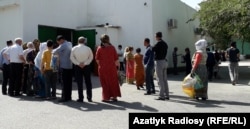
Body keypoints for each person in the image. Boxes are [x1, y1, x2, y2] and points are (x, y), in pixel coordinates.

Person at [95, 34, 121, 102]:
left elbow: (97, 60)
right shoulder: (112, 48)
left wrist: (101, 65)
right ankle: (114, 96)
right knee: (113, 82)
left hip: (102, 68)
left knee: (104, 83)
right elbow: (116, 60)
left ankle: (106, 97)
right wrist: (118, 68)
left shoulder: (99, 48)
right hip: (112, 68)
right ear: (108, 39)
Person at [70, 36, 93, 102]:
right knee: (88, 82)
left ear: (78, 41)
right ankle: (89, 97)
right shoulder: (88, 48)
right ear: (84, 41)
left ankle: (80, 98)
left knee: (79, 82)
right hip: (87, 66)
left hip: (77, 66)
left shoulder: (74, 48)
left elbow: (71, 58)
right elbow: (91, 57)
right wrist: (85, 63)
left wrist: (78, 63)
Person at [52, 35, 73, 102]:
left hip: (64, 66)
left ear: (61, 40)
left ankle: (64, 97)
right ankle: (69, 96)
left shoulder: (63, 45)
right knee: (69, 82)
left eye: (58, 42)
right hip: (70, 66)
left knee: (63, 83)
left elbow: (54, 51)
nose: (58, 43)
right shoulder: (69, 43)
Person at [152, 32, 169, 100]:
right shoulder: (165, 43)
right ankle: (167, 94)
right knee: (165, 79)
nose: (155, 37)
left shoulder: (158, 43)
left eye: (155, 36)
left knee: (160, 79)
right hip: (164, 61)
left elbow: (153, 49)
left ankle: (161, 95)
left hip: (159, 62)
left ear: (158, 37)